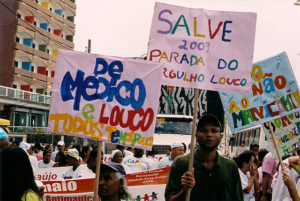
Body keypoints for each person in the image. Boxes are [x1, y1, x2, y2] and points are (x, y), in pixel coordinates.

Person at [165, 114, 243, 201]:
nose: (209, 134)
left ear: (220, 136)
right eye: (204, 130)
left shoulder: (230, 166)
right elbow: (169, 199)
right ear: (196, 135)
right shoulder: (181, 163)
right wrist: (184, 190)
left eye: (214, 131)